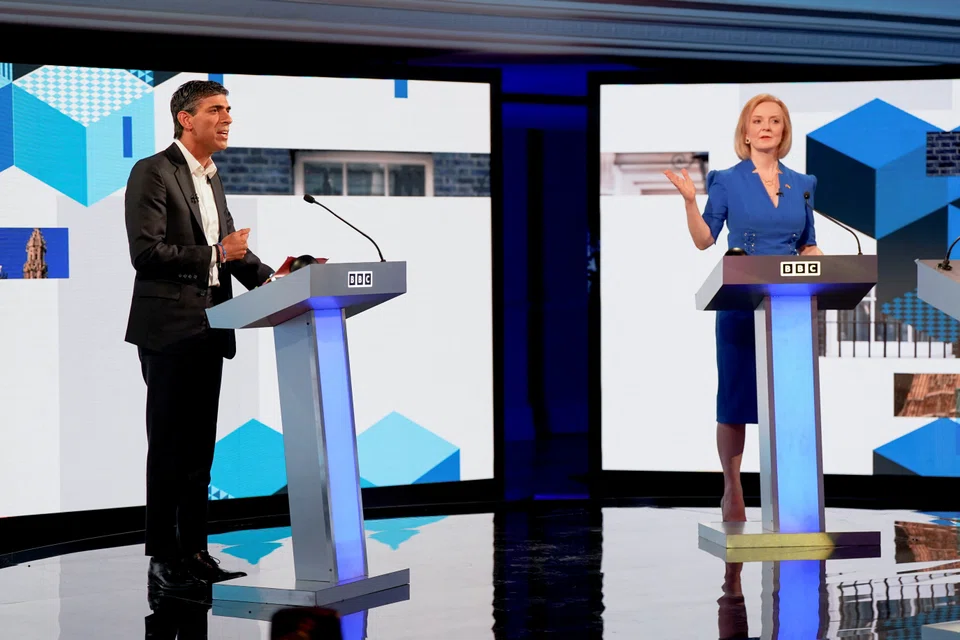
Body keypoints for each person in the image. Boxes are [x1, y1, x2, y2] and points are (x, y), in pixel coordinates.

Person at [124, 80, 275, 589]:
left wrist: (278, 279)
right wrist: (216, 255)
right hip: (168, 331)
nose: (227, 118)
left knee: (198, 455)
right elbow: (146, 254)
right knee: (168, 449)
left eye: (229, 109)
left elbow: (233, 251)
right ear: (186, 119)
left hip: (210, 329)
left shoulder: (211, 177)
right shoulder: (152, 172)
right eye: (216, 110)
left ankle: (196, 552)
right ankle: (163, 558)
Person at [664, 93, 823, 523]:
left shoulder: (803, 184)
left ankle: (790, 490)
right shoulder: (727, 180)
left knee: (788, 402)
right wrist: (690, 203)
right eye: (758, 120)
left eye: (775, 120)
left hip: (788, 308)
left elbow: (808, 243)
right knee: (736, 400)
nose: (766, 126)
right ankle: (732, 485)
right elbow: (704, 240)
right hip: (739, 305)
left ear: (784, 130)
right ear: (746, 131)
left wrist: (821, 259)